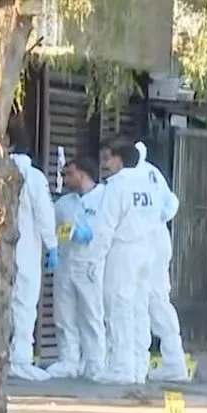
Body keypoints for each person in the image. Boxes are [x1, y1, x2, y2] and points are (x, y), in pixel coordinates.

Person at [88, 138, 156, 384]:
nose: (107, 164)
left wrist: (95, 259)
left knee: (119, 308)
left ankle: (121, 368)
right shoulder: (148, 183)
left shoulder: (117, 185)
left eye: (110, 158)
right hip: (147, 250)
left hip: (123, 251)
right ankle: (139, 367)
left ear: (120, 159)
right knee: (139, 308)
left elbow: (105, 226)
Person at [131, 141, 189, 382]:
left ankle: (153, 361)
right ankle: (171, 360)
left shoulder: (133, 177)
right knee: (155, 301)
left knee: (146, 301)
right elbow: (172, 203)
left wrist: (151, 223)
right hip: (158, 241)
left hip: (146, 243)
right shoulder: (153, 172)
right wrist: (158, 220)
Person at [44, 155, 105, 380]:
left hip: (90, 265)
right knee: (64, 316)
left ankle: (95, 363)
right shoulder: (65, 204)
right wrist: (53, 251)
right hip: (66, 265)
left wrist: (88, 235)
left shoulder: (104, 198)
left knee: (91, 316)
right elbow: (50, 226)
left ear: (81, 173)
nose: (65, 179)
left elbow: (108, 230)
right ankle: (68, 361)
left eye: (68, 174)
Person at [7, 125, 59, 382]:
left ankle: (1, 355)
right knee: (25, 305)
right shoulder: (34, 177)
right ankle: (20, 359)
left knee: (1, 303)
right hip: (26, 250)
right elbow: (45, 215)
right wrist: (52, 246)